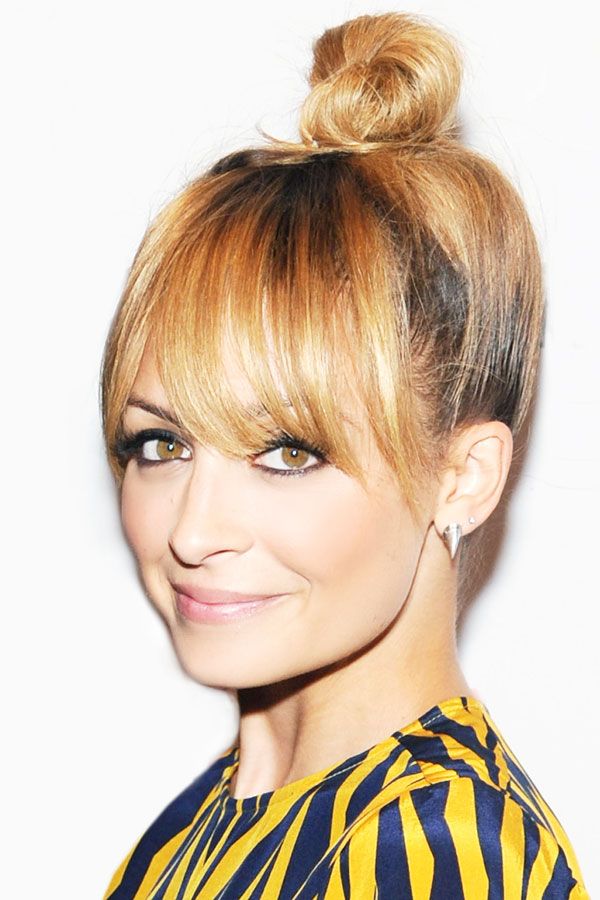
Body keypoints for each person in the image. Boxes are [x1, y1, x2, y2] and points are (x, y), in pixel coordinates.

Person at [101, 11, 588, 899]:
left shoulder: (436, 855)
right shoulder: (204, 826)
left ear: (464, 477)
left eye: (288, 453)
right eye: (162, 443)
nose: (192, 532)